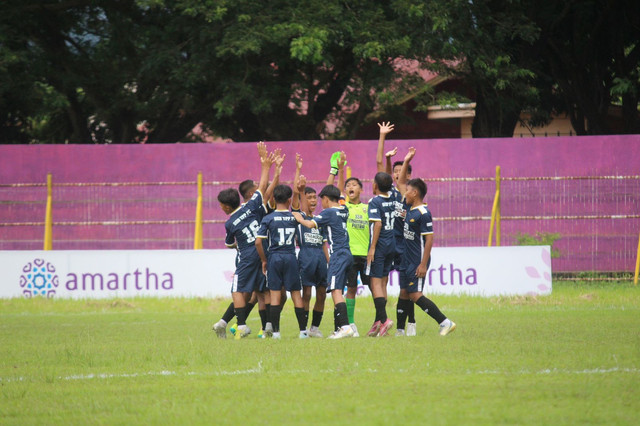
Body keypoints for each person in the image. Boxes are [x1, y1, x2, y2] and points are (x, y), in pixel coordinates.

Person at [212, 143, 281, 339]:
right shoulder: (251, 206)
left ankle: (240, 325)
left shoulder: (230, 222)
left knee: (238, 290)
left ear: (225, 207)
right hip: (263, 253)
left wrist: (238, 245)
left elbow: (228, 243)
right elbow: (262, 188)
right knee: (261, 290)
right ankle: (266, 326)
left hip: (246, 256)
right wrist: (267, 166)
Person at [397, 147, 456, 336]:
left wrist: (423, 264)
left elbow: (429, 239)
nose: (404, 193)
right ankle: (401, 331)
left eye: (407, 191)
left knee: (415, 295)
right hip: (407, 259)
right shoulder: (409, 205)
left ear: (414, 193)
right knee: (404, 293)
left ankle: (445, 322)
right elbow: (400, 182)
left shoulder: (423, 213)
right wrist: (406, 161)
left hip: (417, 261)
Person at [292, 184, 355, 339]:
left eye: (321, 199)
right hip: (347, 254)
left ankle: (345, 327)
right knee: (337, 290)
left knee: (335, 291)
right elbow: (340, 195)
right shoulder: (344, 210)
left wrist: (298, 217)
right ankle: (341, 327)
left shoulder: (328, 212)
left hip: (338, 255)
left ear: (326, 199)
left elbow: (309, 223)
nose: (320, 203)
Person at [375, 121, 417, 336]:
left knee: (407, 287)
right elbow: (379, 163)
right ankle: (381, 320)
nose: (397, 175)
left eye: (401, 172)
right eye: (395, 172)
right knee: (380, 282)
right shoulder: (387, 191)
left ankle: (410, 322)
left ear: (408, 176)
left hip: (403, 245)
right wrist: (382, 136)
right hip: (385, 243)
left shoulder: (409, 194)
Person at [256, 183, 307, 339]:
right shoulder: (295, 217)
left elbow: (258, 242)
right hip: (290, 257)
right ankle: (303, 332)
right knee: (296, 294)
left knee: (275, 295)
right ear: (289, 200)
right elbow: (304, 214)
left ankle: (276, 333)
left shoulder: (268, 218)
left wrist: (264, 260)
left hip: (274, 258)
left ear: (273, 199)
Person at [328, 152, 370, 337]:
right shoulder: (345, 207)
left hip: (367, 254)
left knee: (376, 286)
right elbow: (337, 190)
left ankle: (381, 321)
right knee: (351, 288)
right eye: (348, 185)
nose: (350, 187)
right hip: (351, 254)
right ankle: (351, 323)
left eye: (354, 185)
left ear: (361, 189)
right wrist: (341, 169)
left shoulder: (367, 208)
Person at [292, 155, 329, 338]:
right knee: (306, 294)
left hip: (321, 259)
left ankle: (315, 328)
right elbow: (296, 195)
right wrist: (299, 173)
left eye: (315, 197)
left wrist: (329, 262)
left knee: (322, 294)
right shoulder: (299, 216)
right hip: (306, 257)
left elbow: (324, 243)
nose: (313, 200)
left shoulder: (320, 219)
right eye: (310, 197)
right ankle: (303, 329)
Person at [366, 171, 397, 337]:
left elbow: (377, 225)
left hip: (381, 245)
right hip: (391, 244)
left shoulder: (375, 202)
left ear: (375, 186)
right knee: (383, 282)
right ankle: (379, 321)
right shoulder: (392, 198)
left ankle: (384, 320)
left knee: (375, 282)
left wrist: (372, 248)